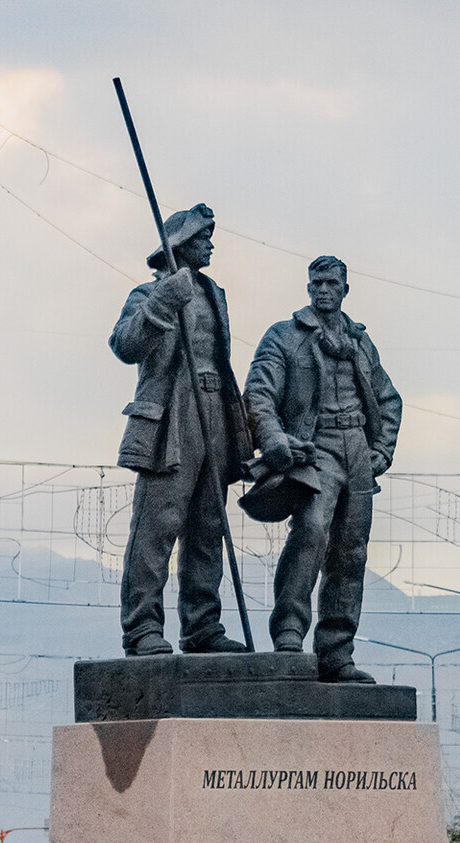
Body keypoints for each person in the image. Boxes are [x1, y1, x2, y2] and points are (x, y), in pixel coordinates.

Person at [243, 256, 402, 683]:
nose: (323, 290)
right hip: (316, 449)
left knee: (351, 553)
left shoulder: (361, 342)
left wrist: (382, 451)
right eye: (316, 283)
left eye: (332, 283)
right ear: (308, 287)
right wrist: (274, 439)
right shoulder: (285, 336)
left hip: (358, 453)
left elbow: (389, 400)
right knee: (311, 532)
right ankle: (290, 634)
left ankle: (336, 654)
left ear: (345, 289)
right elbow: (259, 391)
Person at [109, 203, 252, 657]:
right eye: (204, 237)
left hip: (216, 411)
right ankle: (142, 628)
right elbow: (125, 345)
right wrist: (162, 303)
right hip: (173, 414)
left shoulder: (214, 293)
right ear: (182, 243)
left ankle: (202, 626)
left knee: (208, 525)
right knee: (158, 526)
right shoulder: (148, 293)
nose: (212, 244)